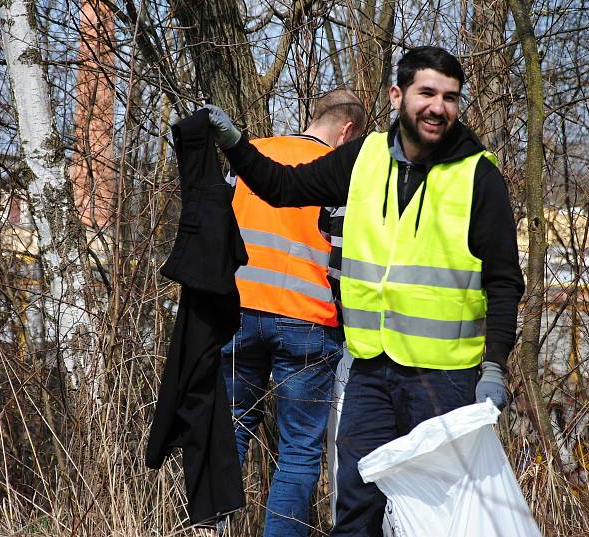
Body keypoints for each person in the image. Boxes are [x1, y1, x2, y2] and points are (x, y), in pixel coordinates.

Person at [205, 46, 525, 537]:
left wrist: (495, 366)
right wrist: (236, 144)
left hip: (444, 380)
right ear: (398, 95)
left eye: (450, 97)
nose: (438, 107)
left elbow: (504, 281)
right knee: (355, 507)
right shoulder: (364, 157)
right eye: (426, 93)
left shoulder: (479, 176)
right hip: (371, 372)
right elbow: (283, 187)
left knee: (440, 517)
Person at [222, 88, 366, 537]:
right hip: (308, 320)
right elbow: (344, 254)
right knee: (300, 450)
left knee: (229, 432)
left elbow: (216, 230)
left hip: (238, 313)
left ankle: (212, 528)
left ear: (313, 115)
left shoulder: (252, 155)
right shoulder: (342, 173)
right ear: (347, 130)